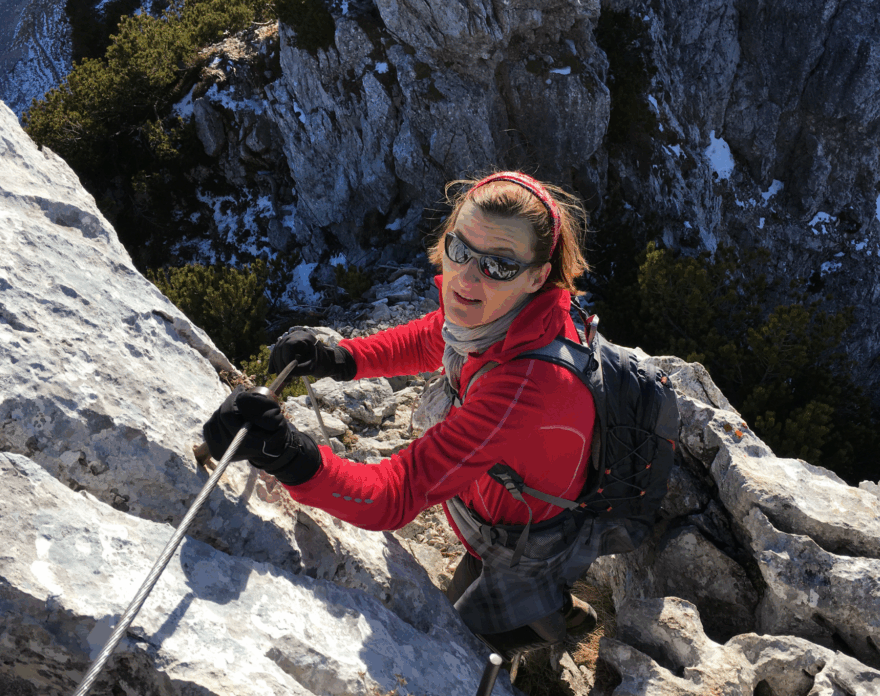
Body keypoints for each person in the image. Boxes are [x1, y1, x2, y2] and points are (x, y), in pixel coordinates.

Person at [202, 171, 599, 658]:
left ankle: (548, 623)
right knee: (489, 593)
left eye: (498, 265)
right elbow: (433, 336)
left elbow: (398, 493)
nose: (466, 277)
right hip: (507, 497)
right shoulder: (508, 315)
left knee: (477, 643)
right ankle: (553, 607)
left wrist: (287, 456)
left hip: (519, 539)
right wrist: (337, 358)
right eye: (460, 249)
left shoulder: (525, 386)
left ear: (538, 276)